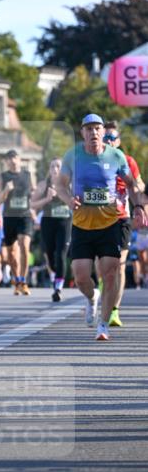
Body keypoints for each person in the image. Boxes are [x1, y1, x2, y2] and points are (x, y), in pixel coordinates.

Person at [55, 114, 148, 341]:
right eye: (89, 129)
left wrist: (138, 207)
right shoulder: (73, 155)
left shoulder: (116, 156)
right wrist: (68, 200)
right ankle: (91, 297)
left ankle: (103, 324)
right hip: (82, 225)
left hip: (109, 224)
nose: (94, 133)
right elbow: (60, 185)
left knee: (110, 271)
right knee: (81, 277)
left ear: (102, 132)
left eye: (97, 128)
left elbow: (132, 185)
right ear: (82, 132)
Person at [101, 121, 145, 326]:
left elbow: (139, 183)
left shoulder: (128, 160)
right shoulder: (94, 160)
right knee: (102, 266)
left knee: (119, 265)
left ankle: (114, 311)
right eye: (105, 138)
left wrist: (138, 191)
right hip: (97, 218)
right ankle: (102, 293)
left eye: (112, 138)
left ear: (118, 141)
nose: (109, 141)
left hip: (121, 217)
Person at [30, 158, 72, 302]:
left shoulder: (69, 184)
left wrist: (62, 195)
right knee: (49, 254)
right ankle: (55, 274)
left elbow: (76, 203)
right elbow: (32, 204)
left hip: (64, 222)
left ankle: (58, 287)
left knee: (61, 253)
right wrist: (47, 199)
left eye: (58, 166)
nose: (55, 169)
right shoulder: (43, 185)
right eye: (52, 166)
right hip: (48, 222)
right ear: (49, 170)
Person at [0, 149, 34, 295]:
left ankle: (23, 281)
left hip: (25, 216)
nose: (12, 161)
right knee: (11, 255)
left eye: (14, 158)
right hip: (9, 217)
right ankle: (17, 279)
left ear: (20, 159)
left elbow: (34, 193)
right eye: (9, 159)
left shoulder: (28, 175)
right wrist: (6, 190)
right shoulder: (3, 176)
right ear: (6, 162)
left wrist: (34, 208)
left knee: (24, 246)